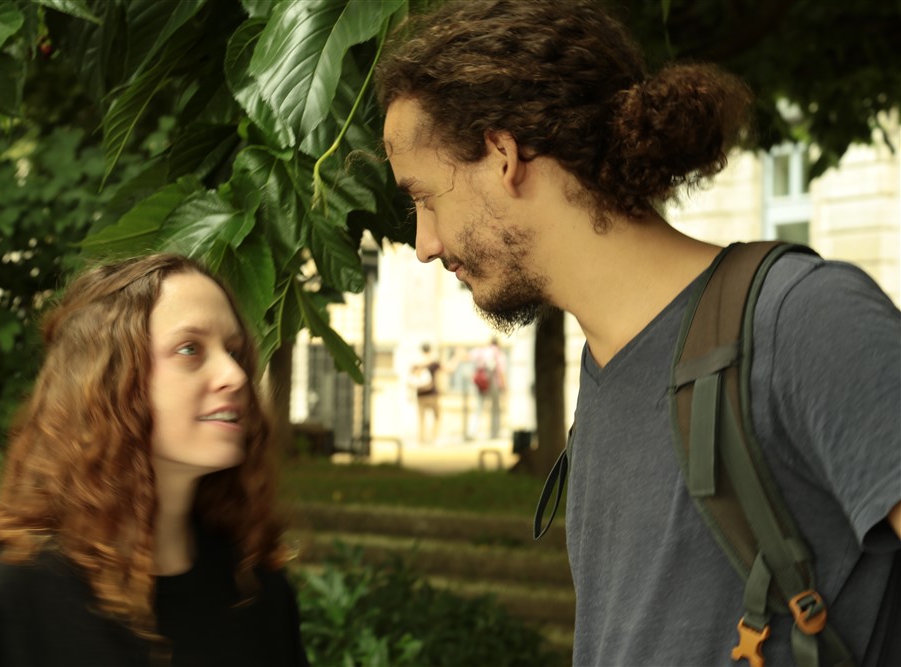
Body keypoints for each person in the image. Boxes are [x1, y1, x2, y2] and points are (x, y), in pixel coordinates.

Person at [376, 2, 901, 666]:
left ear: (503, 156)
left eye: (424, 197)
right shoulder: (606, 362)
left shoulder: (802, 319)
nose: (423, 243)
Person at [0, 254, 310, 666]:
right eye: (190, 349)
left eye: (235, 352)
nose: (235, 376)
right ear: (110, 380)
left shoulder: (256, 594)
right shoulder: (5, 597)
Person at [469, 338, 506, 439]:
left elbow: (468, 357)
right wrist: (504, 387)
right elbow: (501, 371)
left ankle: (473, 432)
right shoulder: (498, 353)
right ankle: (494, 433)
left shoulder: (481, 351)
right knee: (495, 409)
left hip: (481, 383)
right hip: (494, 384)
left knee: (478, 408)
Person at [410, 342, 443, 443]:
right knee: (437, 416)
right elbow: (448, 369)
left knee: (421, 419)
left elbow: (412, 377)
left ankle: (422, 439)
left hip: (420, 395)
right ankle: (434, 437)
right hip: (432, 394)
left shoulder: (417, 363)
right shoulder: (432, 363)